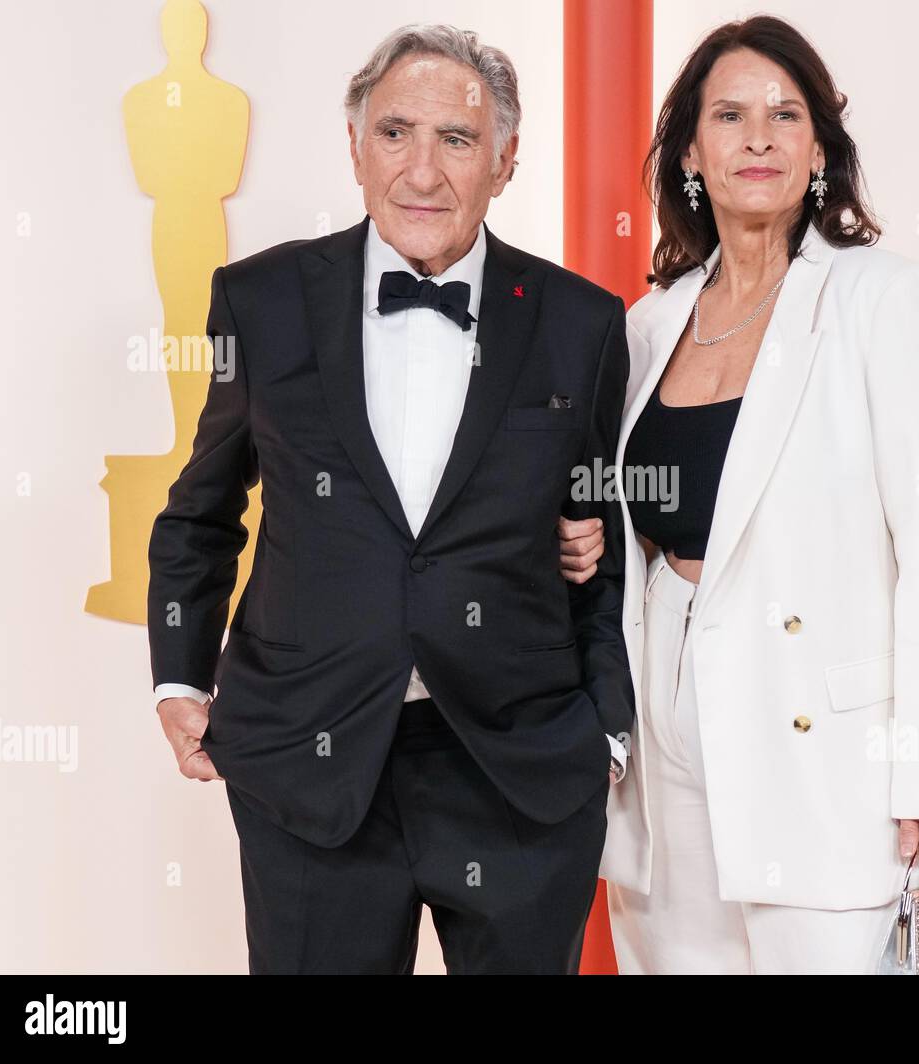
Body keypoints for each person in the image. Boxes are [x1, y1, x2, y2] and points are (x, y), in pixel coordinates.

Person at [147, 22, 633, 974]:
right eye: (395, 133)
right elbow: (202, 508)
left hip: (519, 775)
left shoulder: (583, 321)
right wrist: (178, 675)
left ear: (505, 160)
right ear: (356, 149)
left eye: (456, 140)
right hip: (308, 766)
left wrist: (606, 731)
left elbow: (600, 536)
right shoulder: (264, 298)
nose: (422, 170)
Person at [558, 14, 919, 974]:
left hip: (823, 749)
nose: (758, 137)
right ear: (692, 151)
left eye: (786, 115)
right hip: (665, 742)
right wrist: (580, 538)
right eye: (731, 114)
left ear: (818, 149)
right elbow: (628, 504)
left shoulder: (882, 300)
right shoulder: (652, 323)